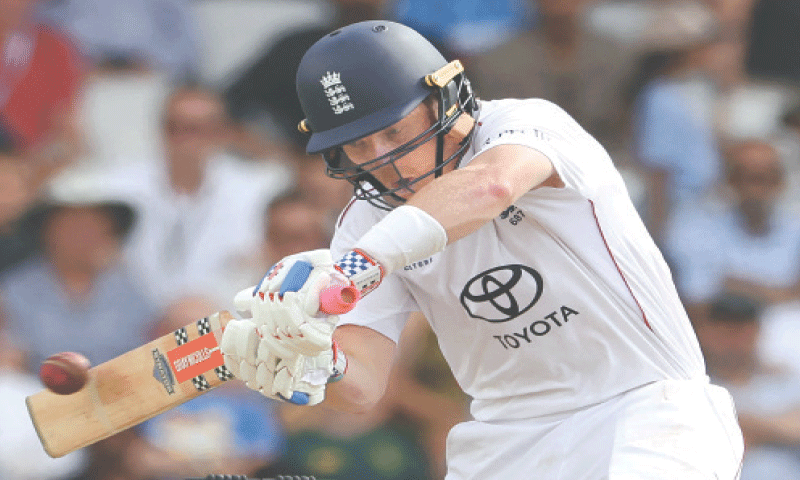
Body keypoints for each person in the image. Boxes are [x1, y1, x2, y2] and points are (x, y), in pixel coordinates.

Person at [220, 21, 743, 479]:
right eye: (359, 146)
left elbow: (491, 188)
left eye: (394, 131)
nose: (386, 161)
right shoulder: (363, 219)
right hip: (504, 440)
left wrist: (358, 266)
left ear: (439, 99)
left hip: (646, 407)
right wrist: (316, 357)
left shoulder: (526, 124)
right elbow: (365, 385)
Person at [697, 292, 800, 480]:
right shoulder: (694, 386)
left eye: (743, 331)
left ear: (758, 332)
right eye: (726, 332)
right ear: (706, 333)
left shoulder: (785, 379)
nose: (735, 342)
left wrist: (744, 424)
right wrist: (779, 427)